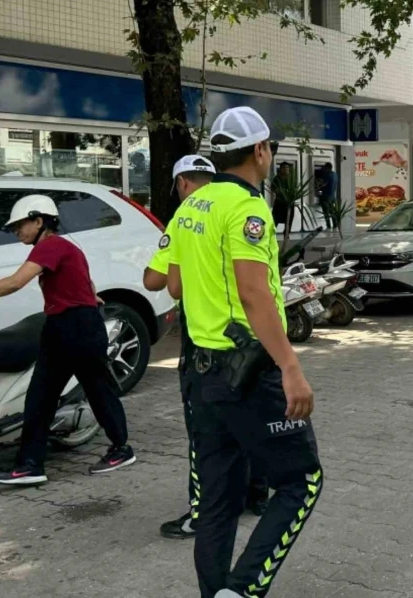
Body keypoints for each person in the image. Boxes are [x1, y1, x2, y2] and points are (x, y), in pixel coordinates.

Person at [166, 107, 323, 598]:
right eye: (270, 149)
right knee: (302, 482)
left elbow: (172, 284)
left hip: (202, 373)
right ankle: (245, 588)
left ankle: (216, 593)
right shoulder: (247, 207)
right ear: (260, 151)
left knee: (216, 503)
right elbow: (254, 294)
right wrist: (291, 367)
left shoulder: (191, 205)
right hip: (249, 374)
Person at [0, 194, 136, 485]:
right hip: (62, 326)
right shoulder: (61, 248)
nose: (17, 232)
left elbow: (15, 282)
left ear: (39, 221)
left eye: (21, 225)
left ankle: (121, 448)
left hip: (78, 328)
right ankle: (30, 465)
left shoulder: (53, 246)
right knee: (40, 397)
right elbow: (88, 283)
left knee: (97, 389)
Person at [144, 155, 269, 541]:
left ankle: (203, 512)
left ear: (181, 183)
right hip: (252, 339)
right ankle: (257, 495)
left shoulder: (184, 218)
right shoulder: (244, 205)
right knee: (255, 421)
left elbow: (164, 285)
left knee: (206, 438)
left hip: (205, 347)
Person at [271, 162, 294, 232]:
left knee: (288, 222)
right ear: (280, 169)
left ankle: (286, 236)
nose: (286, 169)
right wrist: (279, 191)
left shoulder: (291, 178)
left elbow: (294, 188)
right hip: (279, 203)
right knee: (274, 221)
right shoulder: (277, 178)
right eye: (284, 168)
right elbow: (273, 188)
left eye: (287, 168)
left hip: (289, 204)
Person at [318, 162, 338, 230]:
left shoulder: (328, 175)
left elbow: (323, 185)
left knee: (326, 212)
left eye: (325, 168)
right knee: (332, 212)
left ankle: (328, 226)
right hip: (332, 197)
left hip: (326, 197)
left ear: (327, 168)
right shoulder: (335, 174)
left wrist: (318, 188)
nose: (323, 169)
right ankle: (335, 225)